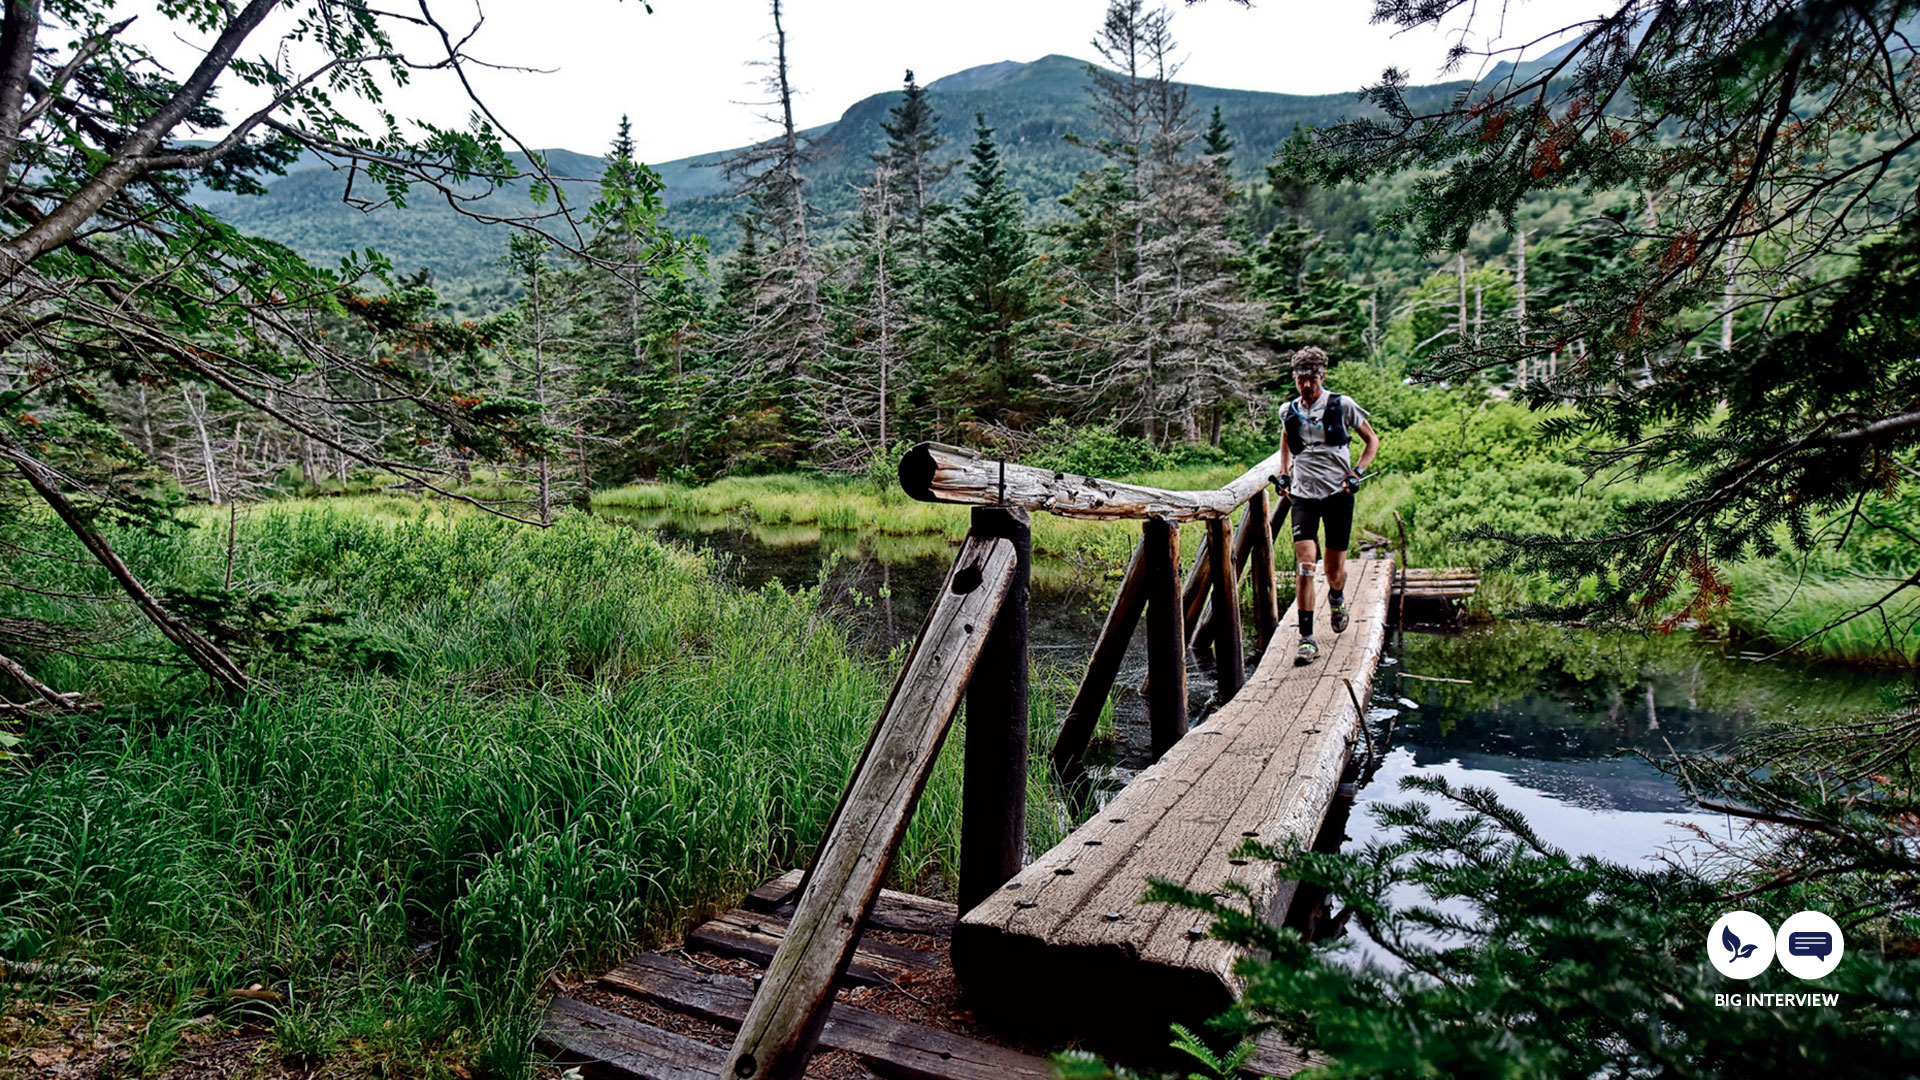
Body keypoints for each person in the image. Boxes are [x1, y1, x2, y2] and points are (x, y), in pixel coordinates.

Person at [1276, 346, 1379, 665]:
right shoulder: (1288, 410)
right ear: (1294, 378)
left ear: (1323, 376)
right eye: (1301, 379)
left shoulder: (1341, 405)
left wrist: (1357, 472)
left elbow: (1371, 441)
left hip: (1338, 495)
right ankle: (1306, 640)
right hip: (1304, 496)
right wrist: (1284, 473)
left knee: (1334, 571)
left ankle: (1336, 596)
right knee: (1306, 563)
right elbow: (1285, 440)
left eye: (1313, 379)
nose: (1307, 386)